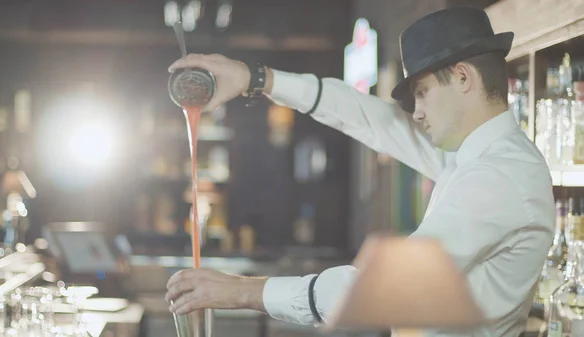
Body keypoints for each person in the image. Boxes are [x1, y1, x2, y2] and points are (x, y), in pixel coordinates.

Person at [165, 7, 555, 337]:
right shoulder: (472, 156)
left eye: (421, 92)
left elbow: (385, 288)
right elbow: (368, 118)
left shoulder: (500, 175)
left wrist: (241, 292)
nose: (416, 112)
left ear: (463, 78)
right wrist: (257, 79)